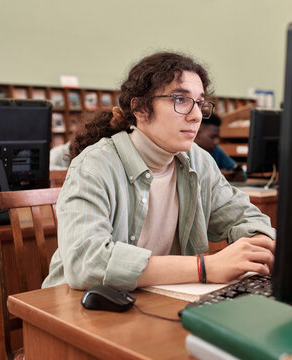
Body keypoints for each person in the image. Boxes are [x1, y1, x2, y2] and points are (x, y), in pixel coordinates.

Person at [42, 52, 275, 291]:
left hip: (150, 301)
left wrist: (259, 245)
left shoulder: (198, 161)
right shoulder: (94, 165)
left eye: (199, 103)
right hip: (75, 306)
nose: (196, 116)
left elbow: (248, 218)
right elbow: (86, 263)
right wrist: (204, 267)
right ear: (140, 108)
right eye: (180, 100)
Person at [194, 112, 246, 181]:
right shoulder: (185, 152)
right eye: (213, 137)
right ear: (196, 133)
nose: (216, 141)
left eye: (218, 137)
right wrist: (216, 175)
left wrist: (239, 175)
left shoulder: (216, 150)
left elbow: (242, 173)